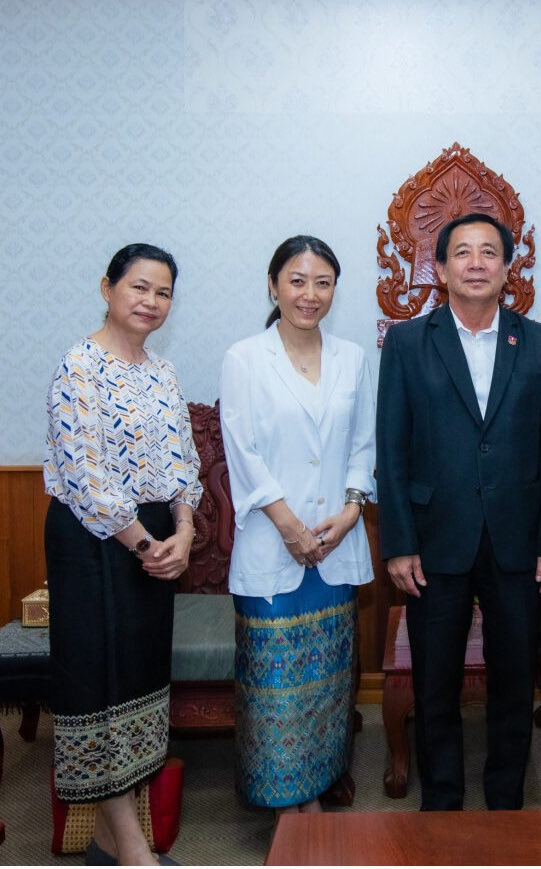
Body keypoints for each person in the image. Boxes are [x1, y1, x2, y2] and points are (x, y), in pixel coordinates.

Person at [376, 212, 541, 811]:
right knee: (437, 681)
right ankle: (442, 795)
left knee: (515, 677)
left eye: (490, 252)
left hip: (517, 539)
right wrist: (399, 542)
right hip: (435, 539)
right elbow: (393, 447)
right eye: (463, 252)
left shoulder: (539, 342)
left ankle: (507, 796)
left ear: (509, 267)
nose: (477, 262)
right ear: (440, 268)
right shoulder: (408, 342)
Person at [44, 243, 202, 866]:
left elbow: (184, 462)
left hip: (157, 542)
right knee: (97, 683)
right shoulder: (78, 367)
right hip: (95, 543)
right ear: (107, 287)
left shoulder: (161, 372)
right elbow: (87, 478)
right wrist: (145, 545)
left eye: (163, 293)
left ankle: (113, 834)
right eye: (139, 288)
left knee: (139, 679)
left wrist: (184, 533)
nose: (151, 302)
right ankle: (131, 845)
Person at [219, 235, 375, 815]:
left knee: (326, 685)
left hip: (335, 544)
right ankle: (288, 807)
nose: (310, 294)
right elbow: (243, 450)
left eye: (323, 283)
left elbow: (363, 445)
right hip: (272, 544)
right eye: (297, 280)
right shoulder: (244, 358)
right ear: (273, 284)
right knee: (276, 689)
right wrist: (288, 526)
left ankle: (318, 786)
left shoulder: (353, 357)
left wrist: (353, 509)